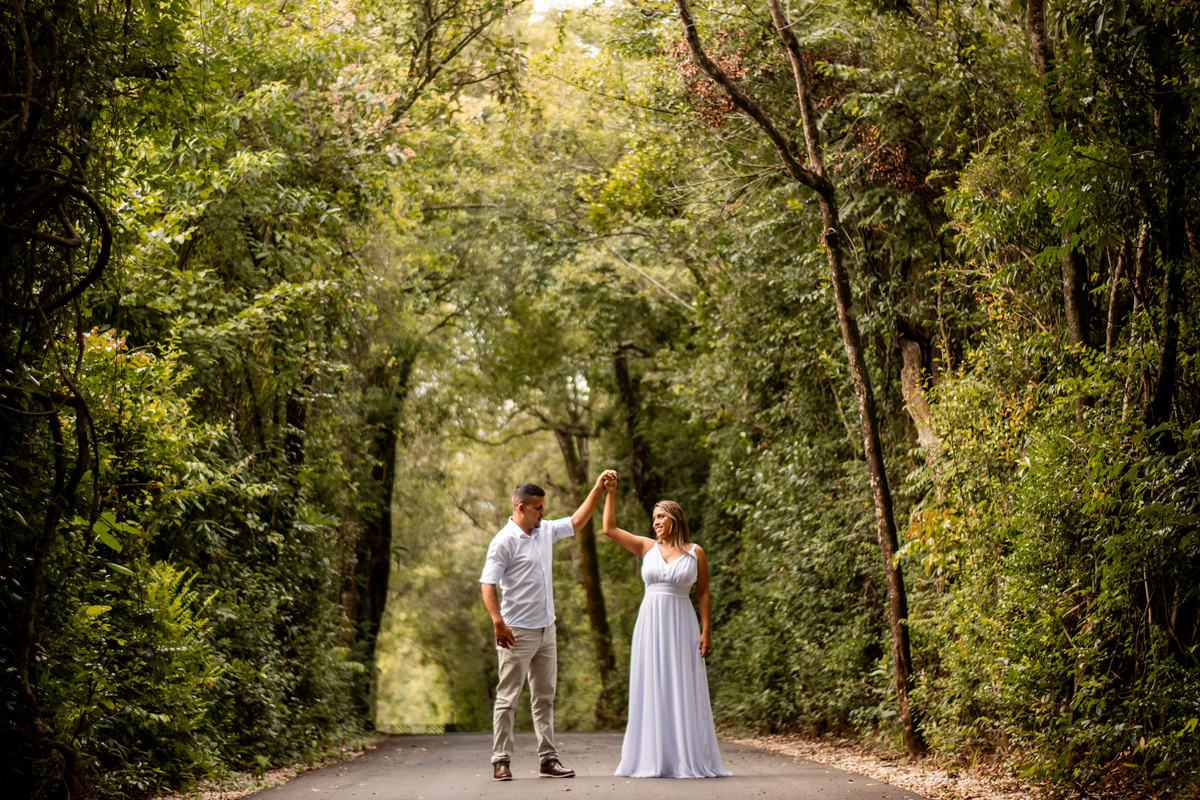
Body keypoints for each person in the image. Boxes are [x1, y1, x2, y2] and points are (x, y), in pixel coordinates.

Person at [479, 472, 615, 781]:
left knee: (544, 698)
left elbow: (578, 521)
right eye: (538, 508)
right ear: (520, 508)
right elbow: (488, 584)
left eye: (543, 507)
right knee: (508, 698)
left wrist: (596, 488)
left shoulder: (545, 531)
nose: (543, 512)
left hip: (546, 630)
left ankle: (548, 759)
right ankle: (501, 760)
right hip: (516, 632)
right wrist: (498, 621)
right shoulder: (503, 542)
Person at [600, 473, 731, 778]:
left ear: (674, 519)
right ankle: (651, 757)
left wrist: (706, 630)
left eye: (661, 516)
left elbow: (703, 593)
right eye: (654, 517)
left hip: (683, 623)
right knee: (653, 685)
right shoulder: (647, 547)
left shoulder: (695, 552)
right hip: (650, 624)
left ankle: (685, 757)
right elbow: (609, 529)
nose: (656, 521)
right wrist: (610, 493)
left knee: (682, 684)